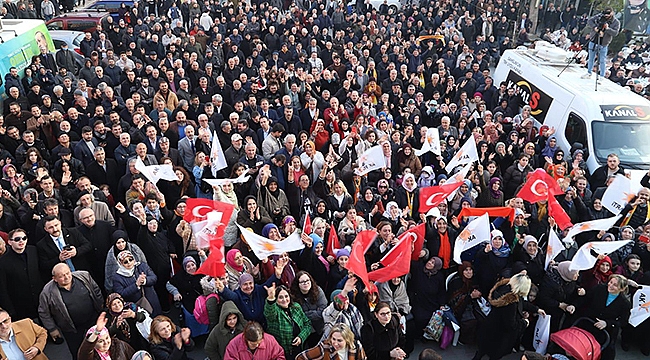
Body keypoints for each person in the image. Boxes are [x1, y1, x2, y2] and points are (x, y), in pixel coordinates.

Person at [38, 263, 104, 360]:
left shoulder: (84, 276)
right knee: (78, 353)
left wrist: (101, 307)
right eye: (61, 276)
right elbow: (43, 312)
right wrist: (52, 329)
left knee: (101, 347)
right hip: (72, 330)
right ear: (54, 278)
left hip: (93, 321)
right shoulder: (47, 292)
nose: (66, 277)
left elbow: (96, 291)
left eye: (68, 273)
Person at [473, 273, 544, 360]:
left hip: (489, 328)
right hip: (500, 336)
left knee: (481, 351)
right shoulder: (511, 303)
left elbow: (521, 303)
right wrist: (524, 322)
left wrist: (536, 309)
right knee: (495, 356)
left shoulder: (503, 289)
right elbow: (510, 325)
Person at [577, 274, 631, 360]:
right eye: (610, 282)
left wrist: (607, 323)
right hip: (588, 322)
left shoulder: (625, 303)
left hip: (606, 331)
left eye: (615, 285)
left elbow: (623, 321)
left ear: (622, 289)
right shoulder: (599, 289)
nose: (611, 285)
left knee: (607, 352)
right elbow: (585, 300)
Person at [263, 282, 313, 358]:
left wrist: (301, 337)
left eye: (286, 296)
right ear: (276, 299)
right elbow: (270, 312)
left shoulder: (296, 307)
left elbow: (308, 324)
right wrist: (270, 298)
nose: (284, 300)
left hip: (300, 349)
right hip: (283, 353)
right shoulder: (275, 312)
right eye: (280, 297)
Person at [112, 250, 162, 317]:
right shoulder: (117, 277)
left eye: (130, 259)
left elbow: (154, 278)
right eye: (125, 262)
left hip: (152, 300)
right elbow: (121, 294)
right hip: (136, 306)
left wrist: (145, 281)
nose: (129, 263)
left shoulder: (142, 266)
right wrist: (136, 285)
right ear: (121, 264)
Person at [582, 7, 620, 80]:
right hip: (594, 40)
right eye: (605, 14)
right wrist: (594, 27)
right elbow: (590, 20)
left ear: (612, 13)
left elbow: (615, 33)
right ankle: (589, 72)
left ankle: (601, 76)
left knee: (602, 60)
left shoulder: (616, 22)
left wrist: (607, 29)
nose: (606, 16)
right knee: (591, 58)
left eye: (608, 14)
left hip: (604, 43)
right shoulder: (599, 16)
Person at [296, 323, 366, 360]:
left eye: (339, 340)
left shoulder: (356, 346)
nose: (335, 343)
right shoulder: (325, 347)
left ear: (347, 339)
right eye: (333, 339)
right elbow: (300, 357)